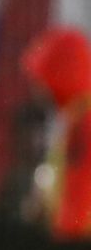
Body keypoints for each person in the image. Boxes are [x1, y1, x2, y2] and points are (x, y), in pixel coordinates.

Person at [21, 26, 91, 238]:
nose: (37, 91)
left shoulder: (83, 123)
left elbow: (80, 193)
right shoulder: (73, 120)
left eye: (41, 80)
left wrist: (67, 243)